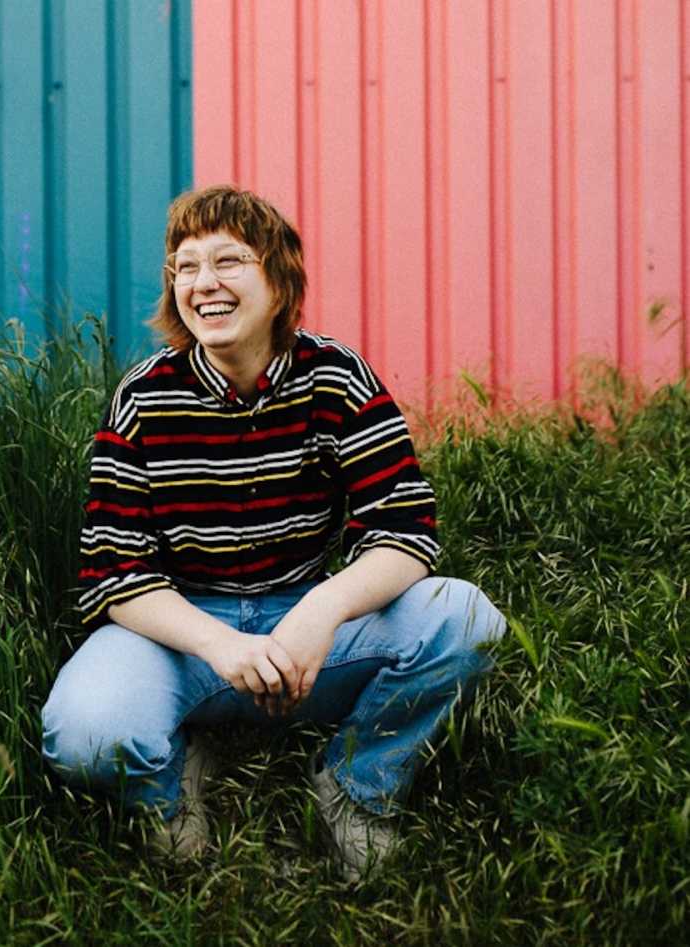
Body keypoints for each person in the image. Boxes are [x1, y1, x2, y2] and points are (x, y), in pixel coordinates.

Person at [41, 185, 506, 878]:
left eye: (228, 261)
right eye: (186, 266)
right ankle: (168, 790)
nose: (204, 283)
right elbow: (117, 574)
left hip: (309, 631)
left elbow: (404, 530)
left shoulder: (337, 377)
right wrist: (221, 645)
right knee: (84, 732)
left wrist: (318, 614)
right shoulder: (142, 398)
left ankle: (356, 785)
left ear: (278, 277)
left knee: (466, 617)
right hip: (182, 637)